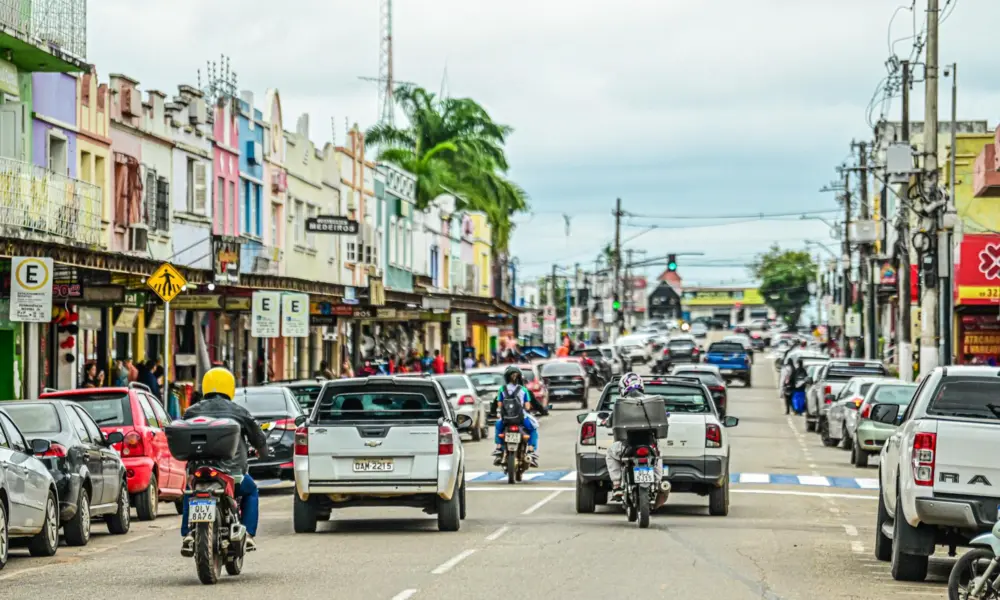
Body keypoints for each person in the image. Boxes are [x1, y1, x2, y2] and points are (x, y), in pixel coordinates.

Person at [179, 367, 269, 556]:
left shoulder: (191, 411)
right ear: (229, 387)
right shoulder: (239, 411)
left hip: (199, 470)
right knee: (251, 490)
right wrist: (263, 452)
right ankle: (249, 534)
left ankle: (188, 533)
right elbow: (259, 438)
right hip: (232, 474)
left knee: (191, 490)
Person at [603, 373, 666, 506]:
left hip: (628, 446)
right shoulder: (652, 401)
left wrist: (606, 421)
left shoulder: (620, 404)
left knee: (610, 453)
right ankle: (657, 482)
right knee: (658, 456)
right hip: (649, 445)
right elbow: (663, 415)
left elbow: (609, 422)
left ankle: (616, 485)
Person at [491, 365, 539, 467]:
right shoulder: (524, 390)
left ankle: (499, 448)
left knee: (498, 427)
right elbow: (527, 406)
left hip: (505, 419)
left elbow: (499, 404)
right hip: (522, 418)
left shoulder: (502, 389)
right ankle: (531, 450)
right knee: (533, 428)